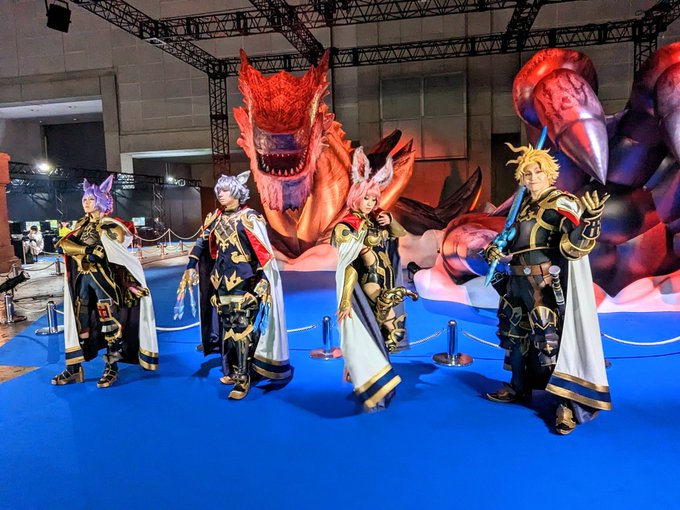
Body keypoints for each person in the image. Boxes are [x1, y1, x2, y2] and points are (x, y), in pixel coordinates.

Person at [483, 142, 611, 434]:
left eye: (538, 172)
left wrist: (590, 221)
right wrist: (494, 249)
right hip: (516, 282)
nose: (532, 178)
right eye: (527, 173)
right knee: (514, 337)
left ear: (550, 174)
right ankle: (518, 387)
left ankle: (564, 404)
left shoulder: (562, 203)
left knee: (548, 343)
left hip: (545, 284)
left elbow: (574, 246)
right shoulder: (521, 206)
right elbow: (511, 242)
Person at [177, 171, 290, 400]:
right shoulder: (215, 217)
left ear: (237, 193)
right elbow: (201, 243)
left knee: (242, 328)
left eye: (226, 190)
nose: (220, 194)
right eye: (219, 190)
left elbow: (263, 254)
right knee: (228, 327)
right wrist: (191, 266)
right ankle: (232, 369)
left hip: (244, 281)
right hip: (220, 282)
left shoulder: (250, 218)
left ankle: (243, 377)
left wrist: (263, 280)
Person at [51, 176, 159, 388]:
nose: (86, 202)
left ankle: (112, 366)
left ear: (101, 200)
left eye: (91, 199)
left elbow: (117, 254)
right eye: (85, 199)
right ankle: (74, 367)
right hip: (82, 280)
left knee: (109, 321)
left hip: (105, 280)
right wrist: (86, 250)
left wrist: (129, 282)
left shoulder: (112, 226)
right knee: (80, 322)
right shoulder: (81, 226)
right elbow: (64, 245)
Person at [333, 147, 417, 412]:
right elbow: (348, 266)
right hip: (368, 286)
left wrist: (389, 220)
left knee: (384, 332)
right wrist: (345, 300)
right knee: (377, 330)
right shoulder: (346, 226)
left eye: (373, 199)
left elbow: (399, 235)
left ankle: (373, 374)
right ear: (356, 197)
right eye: (366, 199)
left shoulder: (374, 221)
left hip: (386, 281)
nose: (370, 203)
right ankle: (373, 381)